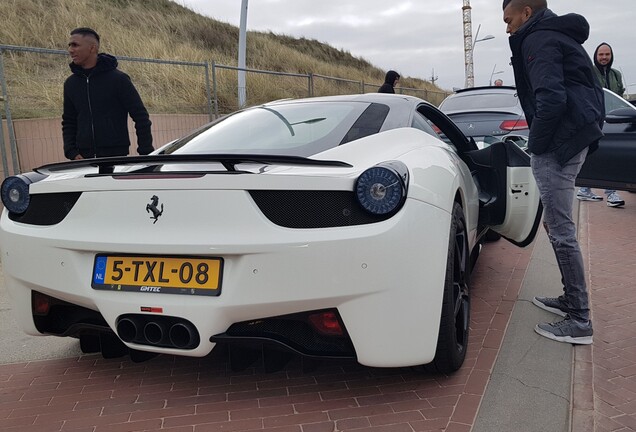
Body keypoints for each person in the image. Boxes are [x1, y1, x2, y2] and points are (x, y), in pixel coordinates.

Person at [503, 0, 605, 344]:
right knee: (557, 225)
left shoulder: (538, 39)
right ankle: (569, 300)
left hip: (558, 143)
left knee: (561, 230)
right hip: (571, 137)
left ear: (526, 13)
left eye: (509, 19)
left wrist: (536, 145)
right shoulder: (556, 35)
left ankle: (579, 319)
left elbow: (551, 98)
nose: (507, 28)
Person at [62, 27, 153, 160]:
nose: (70, 50)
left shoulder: (118, 79)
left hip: (115, 157)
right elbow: (69, 121)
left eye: (75, 45)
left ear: (92, 48)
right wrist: (71, 152)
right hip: (82, 160)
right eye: (69, 45)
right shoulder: (71, 84)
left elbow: (141, 117)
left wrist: (146, 154)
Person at [576, 42, 626, 207]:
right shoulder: (589, 72)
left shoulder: (616, 74)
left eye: (607, 55)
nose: (604, 58)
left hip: (613, 120)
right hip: (594, 120)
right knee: (599, 154)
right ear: (595, 56)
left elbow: (619, 97)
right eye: (601, 55)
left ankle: (584, 189)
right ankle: (611, 193)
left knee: (601, 154)